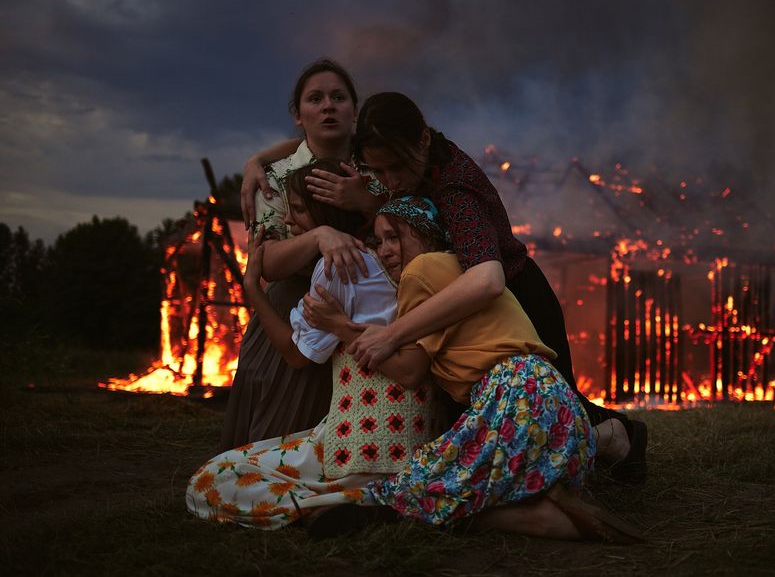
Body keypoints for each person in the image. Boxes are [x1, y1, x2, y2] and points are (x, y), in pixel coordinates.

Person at [292, 91, 647, 480]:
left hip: (516, 300)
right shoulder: (413, 162)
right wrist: (262, 164)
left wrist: (392, 334)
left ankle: (617, 438)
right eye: (378, 172)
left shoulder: (456, 189)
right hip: (454, 302)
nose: (389, 181)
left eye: (395, 167)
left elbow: (487, 279)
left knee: (549, 406)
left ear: (423, 139)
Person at [305, 197, 640, 541]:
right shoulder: (461, 267)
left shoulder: (419, 271)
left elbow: (409, 371)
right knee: (454, 478)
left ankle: (539, 519)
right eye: (379, 241)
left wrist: (339, 326)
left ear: (427, 236)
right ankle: (542, 502)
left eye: (395, 237)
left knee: (421, 483)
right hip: (552, 399)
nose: (386, 251)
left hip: (513, 397)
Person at [188, 165, 436, 529]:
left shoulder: (338, 265)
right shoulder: (407, 267)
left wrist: (255, 291)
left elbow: (296, 355)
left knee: (208, 481)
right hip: (412, 441)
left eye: (300, 209)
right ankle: (364, 499)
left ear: (327, 215)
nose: (288, 218)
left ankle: (335, 504)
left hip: (359, 445)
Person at [220, 59, 382, 450]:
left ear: (354, 111)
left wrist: (369, 202)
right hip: (299, 311)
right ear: (298, 115)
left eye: (338, 97)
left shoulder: (378, 166)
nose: (328, 106)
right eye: (315, 98)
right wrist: (318, 236)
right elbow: (267, 265)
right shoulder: (274, 178)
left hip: (375, 311)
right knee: (282, 435)